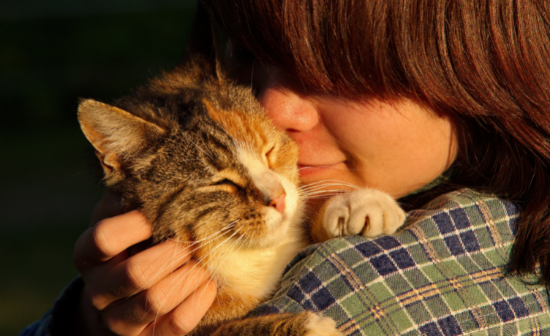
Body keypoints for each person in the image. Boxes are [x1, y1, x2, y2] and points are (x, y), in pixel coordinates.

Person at [21, 0, 550, 335]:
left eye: (333, 71)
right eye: (248, 54)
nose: (269, 112)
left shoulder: (355, 295)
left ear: (477, 60)